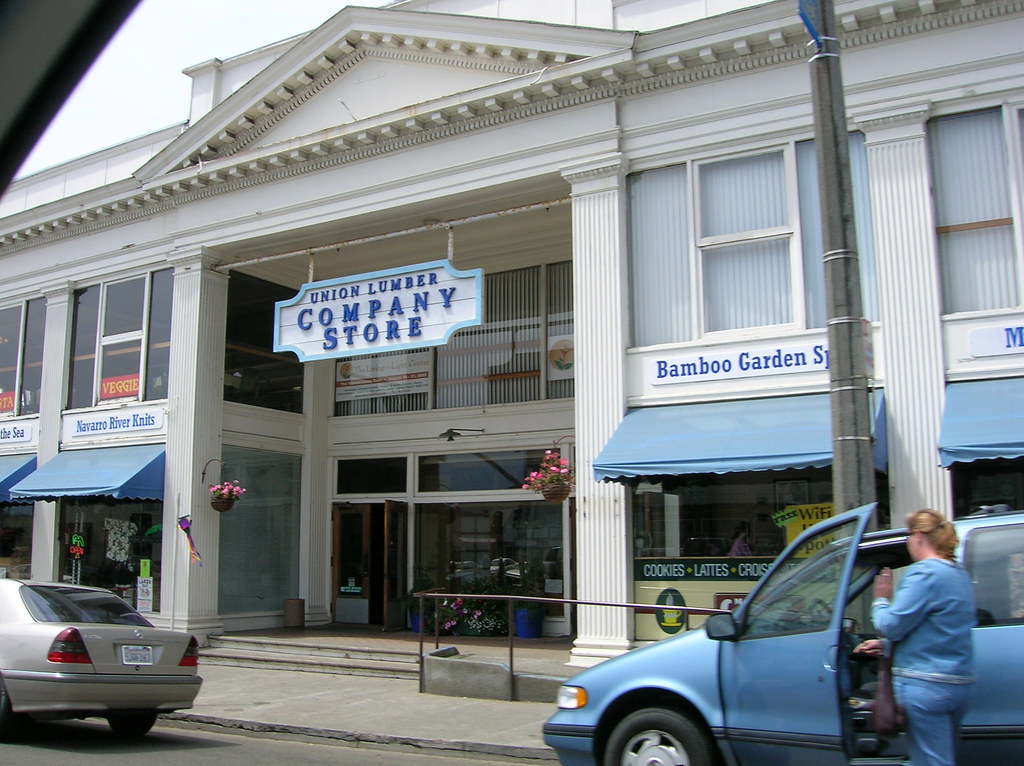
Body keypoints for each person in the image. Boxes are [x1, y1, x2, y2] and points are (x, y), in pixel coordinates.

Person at [854, 509, 976, 766]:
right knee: (940, 756)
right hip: (957, 682)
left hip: (925, 684)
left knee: (932, 761)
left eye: (909, 535)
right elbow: (939, 628)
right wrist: (886, 645)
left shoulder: (924, 573)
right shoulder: (959, 574)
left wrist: (881, 601)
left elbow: (891, 625)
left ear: (918, 535)